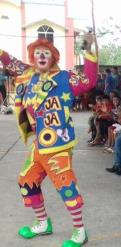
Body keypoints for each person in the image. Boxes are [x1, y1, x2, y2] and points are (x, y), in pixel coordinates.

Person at [0, 35, 97, 246]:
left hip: (58, 147)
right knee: (26, 180)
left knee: (66, 187)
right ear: (33, 58)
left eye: (46, 53)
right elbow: (10, 61)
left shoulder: (64, 78)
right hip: (38, 145)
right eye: (37, 53)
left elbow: (89, 79)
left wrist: (87, 46)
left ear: (53, 57)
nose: (41, 56)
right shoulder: (28, 75)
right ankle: (43, 223)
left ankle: (80, 231)